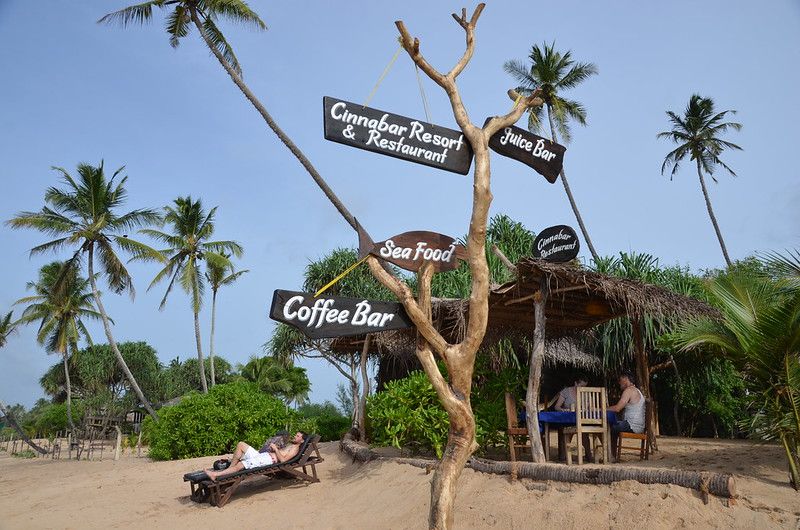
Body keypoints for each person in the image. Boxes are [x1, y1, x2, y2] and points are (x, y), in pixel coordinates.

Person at [205, 431, 306, 481]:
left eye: (297, 436)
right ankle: (229, 470)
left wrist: (275, 449)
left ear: (302, 440)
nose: (294, 436)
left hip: (267, 460)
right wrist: (274, 449)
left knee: (240, 465)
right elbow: (281, 454)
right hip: (264, 456)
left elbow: (283, 460)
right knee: (241, 444)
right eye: (296, 435)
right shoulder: (291, 445)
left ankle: (216, 475)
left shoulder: (295, 449)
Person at [607, 372, 646, 460]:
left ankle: (611, 455)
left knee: (608, 426)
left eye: (620, 380)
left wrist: (601, 409)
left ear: (625, 379)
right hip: (638, 425)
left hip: (632, 425)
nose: (619, 383)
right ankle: (612, 455)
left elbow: (617, 408)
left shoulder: (629, 390)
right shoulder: (637, 390)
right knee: (612, 424)